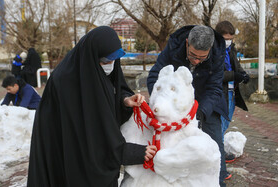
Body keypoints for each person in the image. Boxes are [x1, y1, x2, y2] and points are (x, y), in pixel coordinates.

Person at [27, 26, 157, 187]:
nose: (111, 65)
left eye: (114, 60)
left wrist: (125, 100)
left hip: (91, 161)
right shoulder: (65, 82)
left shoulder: (99, 68)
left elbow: (111, 94)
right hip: (72, 159)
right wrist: (129, 152)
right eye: (106, 61)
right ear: (92, 57)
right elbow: (90, 133)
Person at [147, 25, 229, 186]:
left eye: (202, 57)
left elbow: (214, 89)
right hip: (176, 104)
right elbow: (155, 76)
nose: (196, 60)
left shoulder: (218, 53)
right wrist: (161, 101)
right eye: (192, 55)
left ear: (210, 50)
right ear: (186, 43)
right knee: (170, 141)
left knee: (214, 143)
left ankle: (218, 180)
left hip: (206, 103)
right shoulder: (173, 46)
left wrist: (200, 113)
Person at [215, 21, 249, 162]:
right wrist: (234, 76)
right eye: (225, 39)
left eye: (230, 39)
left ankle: (218, 151)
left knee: (226, 122)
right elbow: (216, 74)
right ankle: (218, 155)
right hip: (219, 93)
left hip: (231, 92)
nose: (228, 42)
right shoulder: (214, 51)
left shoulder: (231, 49)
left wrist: (244, 75)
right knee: (219, 124)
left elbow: (237, 66)